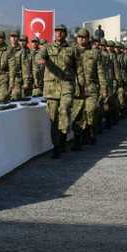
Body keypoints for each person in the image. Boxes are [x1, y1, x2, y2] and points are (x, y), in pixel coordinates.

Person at [37, 24, 76, 158]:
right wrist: (41, 60)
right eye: (56, 32)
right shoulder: (47, 48)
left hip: (66, 85)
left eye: (61, 32)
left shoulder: (72, 49)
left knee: (64, 110)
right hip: (51, 87)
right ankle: (57, 146)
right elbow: (40, 55)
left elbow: (79, 68)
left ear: (65, 34)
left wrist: (81, 84)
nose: (58, 34)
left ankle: (64, 136)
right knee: (53, 119)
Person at [70, 28, 106, 149]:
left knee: (90, 111)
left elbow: (100, 72)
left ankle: (89, 132)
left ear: (88, 39)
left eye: (84, 37)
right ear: (77, 38)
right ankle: (77, 139)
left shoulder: (94, 53)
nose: (81, 39)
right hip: (76, 89)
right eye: (79, 37)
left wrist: (103, 88)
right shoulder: (71, 52)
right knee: (77, 115)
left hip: (91, 88)